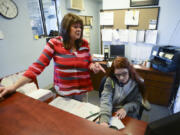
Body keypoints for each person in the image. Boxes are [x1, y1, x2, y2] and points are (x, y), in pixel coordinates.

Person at [0, 13, 105, 101]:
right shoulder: (54, 44)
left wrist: (93, 66)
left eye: (80, 27)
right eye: (75, 26)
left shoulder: (84, 44)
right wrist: (14, 87)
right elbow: (37, 67)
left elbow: (88, 62)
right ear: (66, 28)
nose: (79, 30)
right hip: (65, 92)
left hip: (82, 90)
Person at [99, 57, 144, 127]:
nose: (121, 78)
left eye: (124, 73)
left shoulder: (137, 82)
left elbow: (137, 102)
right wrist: (104, 120)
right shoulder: (110, 80)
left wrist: (125, 108)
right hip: (112, 111)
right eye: (117, 74)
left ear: (129, 70)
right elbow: (106, 99)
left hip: (129, 113)